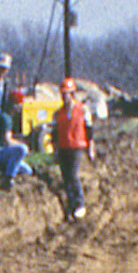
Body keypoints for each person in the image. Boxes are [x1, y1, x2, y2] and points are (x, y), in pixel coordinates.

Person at [52, 82, 92, 219]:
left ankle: (80, 204)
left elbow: (89, 129)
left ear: (72, 94)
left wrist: (91, 147)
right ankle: (71, 205)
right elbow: (54, 133)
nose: (64, 97)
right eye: (62, 94)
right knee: (66, 177)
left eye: (66, 94)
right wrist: (55, 150)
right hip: (64, 147)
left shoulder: (82, 109)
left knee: (73, 175)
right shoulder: (58, 113)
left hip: (77, 146)